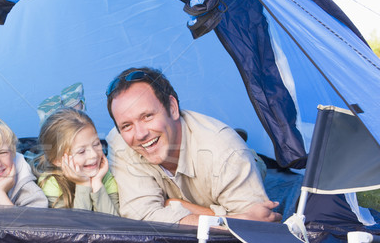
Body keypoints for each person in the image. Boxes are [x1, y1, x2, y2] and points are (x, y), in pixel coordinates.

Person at [105, 67, 281, 225]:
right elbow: (141, 216)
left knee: (241, 159)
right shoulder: (120, 141)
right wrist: (227, 219)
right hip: (210, 182)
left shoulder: (227, 153)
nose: (140, 133)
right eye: (126, 125)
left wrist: (173, 206)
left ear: (172, 108)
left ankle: (249, 152)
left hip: (226, 157)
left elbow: (257, 227)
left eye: (147, 116)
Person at [32, 108, 119, 215]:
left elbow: (115, 226)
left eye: (96, 144)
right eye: (81, 151)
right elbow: (76, 230)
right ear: (58, 160)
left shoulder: (104, 174)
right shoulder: (51, 183)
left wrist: (97, 184)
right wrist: (83, 184)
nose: (94, 155)